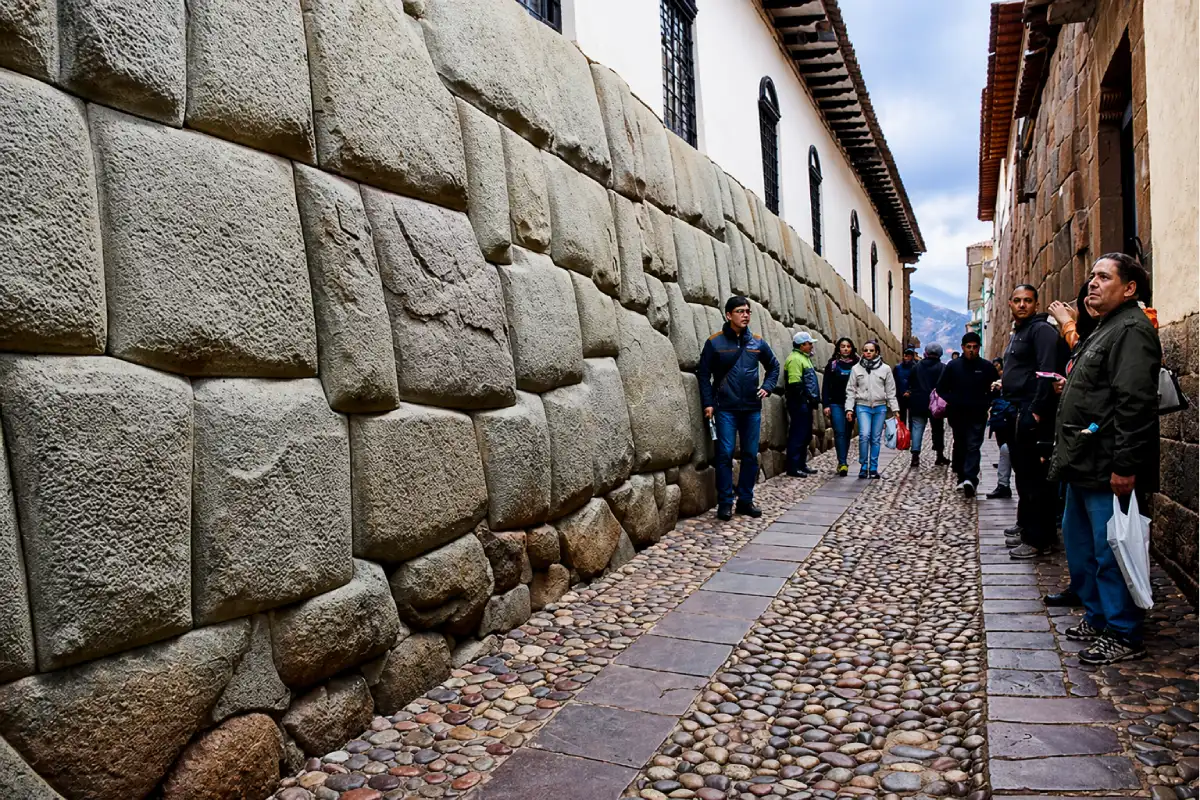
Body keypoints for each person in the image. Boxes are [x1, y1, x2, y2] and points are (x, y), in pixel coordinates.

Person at [1048, 254, 1159, 664]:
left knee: (1111, 550)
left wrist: (1125, 466)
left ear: (1129, 289)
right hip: (1082, 463)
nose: (1092, 283)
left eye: (1104, 277)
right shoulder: (1105, 328)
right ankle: (1097, 618)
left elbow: (1135, 402)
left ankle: (1123, 632)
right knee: (1083, 547)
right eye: (1092, 275)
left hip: (1106, 464)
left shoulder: (1132, 330)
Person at [697, 295, 780, 521]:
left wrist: (767, 387)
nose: (745, 315)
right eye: (740, 311)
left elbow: (773, 366)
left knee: (750, 455)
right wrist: (708, 403)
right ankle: (725, 503)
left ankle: (745, 500)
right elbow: (703, 374)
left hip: (751, 408)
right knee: (724, 454)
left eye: (748, 311)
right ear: (728, 315)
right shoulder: (714, 343)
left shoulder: (757, 342)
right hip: (725, 408)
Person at [1002, 284, 1069, 560]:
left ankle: (1038, 539)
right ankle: (1028, 528)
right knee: (1024, 475)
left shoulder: (1041, 330)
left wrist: (1038, 410)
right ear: (1010, 303)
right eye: (1017, 300)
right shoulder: (1020, 332)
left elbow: (1047, 371)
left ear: (1036, 304)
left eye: (1027, 301)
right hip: (1019, 409)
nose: (1022, 305)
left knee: (1036, 479)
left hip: (1032, 412)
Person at [936, 332, 999, 497]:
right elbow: (941, 388)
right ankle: (961, 476)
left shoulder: (986, 367)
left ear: (979, 348)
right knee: (961, 444)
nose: (971, 350)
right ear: (963, 348)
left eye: (975, 347)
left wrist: (988, 400)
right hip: (957, 414)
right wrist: (953, 400)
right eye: (968, 347)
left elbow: (996, 387)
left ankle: (970, 478)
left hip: (978, 413)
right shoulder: (953, 366)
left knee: (973, 445)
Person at [844, 340, 898, 479]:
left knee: (875, 438)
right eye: (865, 350)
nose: (868, 352)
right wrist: (849, 409)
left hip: (880, 407)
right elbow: (850, 390)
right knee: (864, 435)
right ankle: (863, 465)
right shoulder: (856, 369)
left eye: (871, 350)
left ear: (877, 352)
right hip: (862, 406)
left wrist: (895, 409)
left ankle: (873, 468)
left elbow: (890, 390)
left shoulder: (885, 369)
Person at [783, 332, 821, 478]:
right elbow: (795, 383)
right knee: (798, 434)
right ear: (801, 345)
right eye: (809, 343)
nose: (811, 346)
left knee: (805, 435)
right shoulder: (795, 359)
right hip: (799, 403)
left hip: (805, 402)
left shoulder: (804, 358)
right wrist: (804, 400)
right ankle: (793, 467)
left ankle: (801, 464)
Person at [822, 338, 859, 476]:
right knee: (839, 432)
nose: (845, 349)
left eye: (848, 346)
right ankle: (842, 462)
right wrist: (826, 404)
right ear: (838, 348)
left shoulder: (857, 365)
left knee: (847, 433)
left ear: (852, 348)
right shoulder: (832, 364)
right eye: (843, 346)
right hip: (836, 403)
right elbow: (826, 386)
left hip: (852, 404)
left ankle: (843, 459)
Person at [909, 343, 948, 468]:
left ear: (926, 353)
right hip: (936, 404)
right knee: (938, 429)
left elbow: (910, 383)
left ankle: (915, 456)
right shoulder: (943, 368)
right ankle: (939, 455)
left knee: (917, 428)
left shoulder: (916, 367)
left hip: (918, 402)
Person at [985, 357, 1016, 499]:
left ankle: (1004, 485)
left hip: (1015, 417)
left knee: (1007, 450)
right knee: (1005, 449)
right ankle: (1003, 485)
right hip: (1006, 417)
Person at [894, 348, 918, 427]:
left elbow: (917, 382)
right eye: (906, 355)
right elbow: (894, 381)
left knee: (912, 418)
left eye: (909, 356)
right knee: (902, 418)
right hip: (900, 396)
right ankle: (903, 433)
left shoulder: (916, 368)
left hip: (912, 396)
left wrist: (909, 391)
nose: (907, 358)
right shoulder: (897, 368)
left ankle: (911, 433)